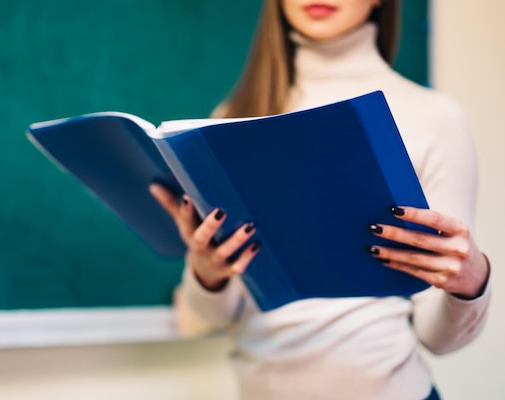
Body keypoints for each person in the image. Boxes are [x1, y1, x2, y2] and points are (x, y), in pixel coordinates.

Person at [150, 1, 491, 399]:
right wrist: (207, 272)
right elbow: (217, 317)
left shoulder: (435, 117)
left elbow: (438, 337)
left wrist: (470, 284)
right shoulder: (231, 117)